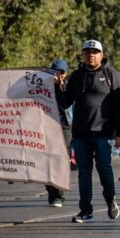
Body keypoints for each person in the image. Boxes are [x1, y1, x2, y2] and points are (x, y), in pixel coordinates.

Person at [56, 40, 120, 223]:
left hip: (103, 133)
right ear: (83, 55)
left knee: (104, 169)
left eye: (94, 52)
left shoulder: (111, 75)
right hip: (81, 134)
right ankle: (86, 210)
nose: (91, 55)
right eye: (87, 52)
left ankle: (111, 199)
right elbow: (65, 102)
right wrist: (58, 86)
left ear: (101, 55)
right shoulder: (77, 76)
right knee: (83, 173)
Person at [46, 59, 73, 207]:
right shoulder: (44, 86)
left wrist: (61, 87)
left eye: (61, 72)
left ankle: (59, 191)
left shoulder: (68, 86)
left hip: (64, 126)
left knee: (62, 160)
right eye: (55, 72)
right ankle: (53, 193)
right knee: (49, 160)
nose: (58, 75)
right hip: (47, 126)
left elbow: (67, 104)